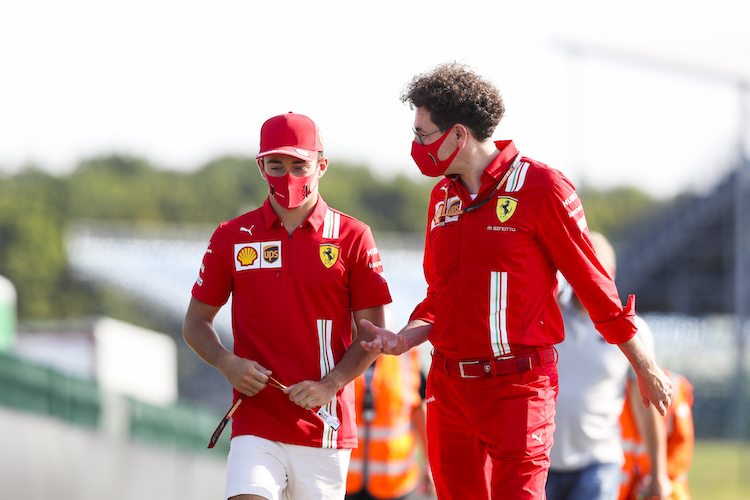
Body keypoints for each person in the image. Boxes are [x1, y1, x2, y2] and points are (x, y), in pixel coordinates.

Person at [358, 62, 673, 500]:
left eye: (422, 134)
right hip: (449, 389)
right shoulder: (441, 198)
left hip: (518, 387)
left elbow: (594, 285)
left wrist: (643, 364)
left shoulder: (542, 187)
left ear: (457, 135)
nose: (415, 146)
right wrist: (403, 339)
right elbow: (438, 299)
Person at [183, 111, 393, 500]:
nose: (288, 175)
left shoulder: (353, 236)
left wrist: (330, 385)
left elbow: (373, 335)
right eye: (275, 164)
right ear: (260, 166)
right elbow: (195, 322)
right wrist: (227, 363)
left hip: (325, 426)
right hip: (254, 420)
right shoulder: (232, 236)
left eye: (300, 164)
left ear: (322, 165)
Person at [546, 231, 672, 500]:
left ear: (611, 273)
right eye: (579, 266)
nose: (585, 277)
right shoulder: (546, 316)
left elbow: (645, 407)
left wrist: (659, 473)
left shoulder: (634, 332)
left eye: (593, 268)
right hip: (541, 460)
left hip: (598, 462)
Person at [345, 348, 434, 500]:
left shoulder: (408, 357)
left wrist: (429, 465)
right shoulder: (339, 352)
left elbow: (421, 412)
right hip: (345, 481)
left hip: (396, 483)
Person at [619, 369, 694, 500]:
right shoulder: (611, 387)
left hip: (658, 485)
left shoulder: (674, 386)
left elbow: (681, 447)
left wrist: (658, 475)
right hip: (619, 484)